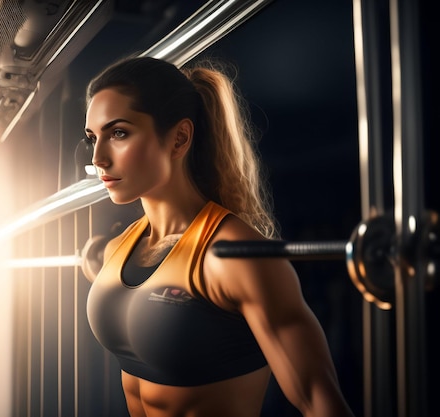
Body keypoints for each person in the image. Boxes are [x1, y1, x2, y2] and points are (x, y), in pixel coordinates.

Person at [80, 56, 354, 417]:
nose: (98, 157)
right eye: (92, 138)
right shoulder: (117, 250)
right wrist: (95, 260)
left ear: (179, 138)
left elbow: (318, 399)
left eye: (118, 133)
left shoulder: (233, 256)